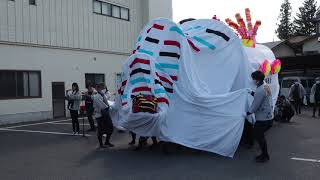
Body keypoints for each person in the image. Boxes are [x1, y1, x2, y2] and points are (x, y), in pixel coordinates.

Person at [247, 71, 273, 163]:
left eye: (253, 78)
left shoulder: (260, 89)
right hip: (268, 116)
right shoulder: (265, 85)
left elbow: (255, 104)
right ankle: (264, 154)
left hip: (263, 118)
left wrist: (247, 112)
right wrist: (251, 93)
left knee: (258, 135)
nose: (252, 80)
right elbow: (261, 97)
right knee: (259, 136)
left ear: (257, 79)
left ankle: (265, 155)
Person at [93, 83, 114, 148]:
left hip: (106, 113)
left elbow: (107, 101)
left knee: (110, 128)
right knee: (101, 130)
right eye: (103, 88)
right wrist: (108, 107)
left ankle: (107, 142)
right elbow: (103, 106)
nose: (104, 89)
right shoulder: (96, 96)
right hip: (100, 115)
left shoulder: (103, 94)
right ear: (99, 88)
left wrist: (109, 106)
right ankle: (101, 144)